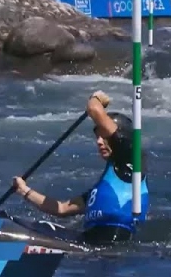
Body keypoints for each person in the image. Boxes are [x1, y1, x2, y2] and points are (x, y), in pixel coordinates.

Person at [11, 90, 149, 245]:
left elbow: (94, 109)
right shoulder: (103, 188)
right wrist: (24, 191)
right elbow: (62, 209)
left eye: (103, 136)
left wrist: (96, 97)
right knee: (27, 224)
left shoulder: (131, 159)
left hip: (110, 247)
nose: (99, 142)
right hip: (89, 242)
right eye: (97, 137)